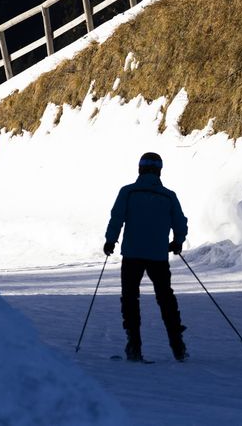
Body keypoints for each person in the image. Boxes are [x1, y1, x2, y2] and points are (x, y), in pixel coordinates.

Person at [104, 152, 189, 362]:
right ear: (159, 171)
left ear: (140, 169)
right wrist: (178, 241)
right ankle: (177, 346)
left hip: (132, 254)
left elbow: (117, 217)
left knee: (130, 298)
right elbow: (180, 221)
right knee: (165, 297)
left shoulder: (128, 192)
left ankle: (134, 345)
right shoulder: (168, 196)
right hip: (158, 255)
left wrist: (110, 240)